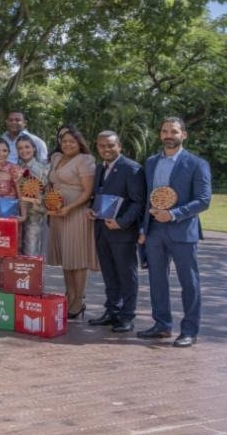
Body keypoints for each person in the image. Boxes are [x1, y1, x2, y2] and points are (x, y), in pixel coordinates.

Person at [138, 117, 212, 348]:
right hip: (154, 230)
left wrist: (173, 214)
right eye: (164, 131)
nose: (168, 135)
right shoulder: (151, 162)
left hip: (182, 230)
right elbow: (147, 197)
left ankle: (189, 331)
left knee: (189, 282)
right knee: (156, 280)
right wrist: (143, 228)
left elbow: (203, 200)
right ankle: (161, 325)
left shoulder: (197, 164)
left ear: (184, 135)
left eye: (174, 131)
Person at [87, 131, 146, 333]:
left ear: (119, 146)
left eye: (110, 145)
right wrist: (91, 209)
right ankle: (112, 311)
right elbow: (97, 195)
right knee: (109, 274)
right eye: (102, 146)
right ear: (97, 147)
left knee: (127, 275)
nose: (106, 149)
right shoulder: (99, 168)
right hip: (101, 230)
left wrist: (121, 222)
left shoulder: (132, 169)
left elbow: (138, 201)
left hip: (122, 232)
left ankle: (127, 316)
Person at [45, 127, 98, 320]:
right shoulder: (57, 158)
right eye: (64, 141)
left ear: (79, 143)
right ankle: (69, 294)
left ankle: (78, 300)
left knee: (77, 258)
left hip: (76, 212)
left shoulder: (85, 160)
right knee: (66, 258)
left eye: (71, 141)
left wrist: (69, 208)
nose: (67, 144)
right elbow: (51, 183)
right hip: (57, 212)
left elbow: (87, 192)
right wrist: (49, 202)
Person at [15, 135, 50, 256]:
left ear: (34, 148)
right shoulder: (15, 168)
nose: (24, 150)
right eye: (20, 148)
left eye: (27, 147)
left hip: (34, 218)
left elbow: (46, 195)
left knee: (31, 256)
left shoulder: (43, 169)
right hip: (15, 217)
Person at [0, 138, 19, 217]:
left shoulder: (14, 169)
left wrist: (23, 216)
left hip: (9, 214)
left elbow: (21, 196)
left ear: (9, 152)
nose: (1, 153)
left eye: (5, 151)